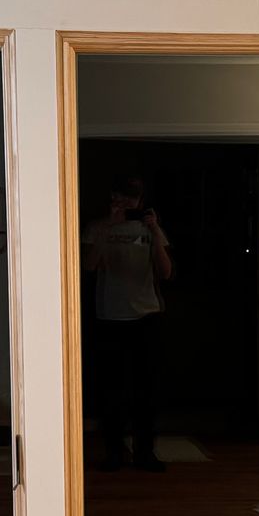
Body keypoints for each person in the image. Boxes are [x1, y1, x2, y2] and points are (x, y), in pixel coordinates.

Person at [82, 175, 173, 471]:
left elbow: (166, 271)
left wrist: (155, 230)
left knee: (147, 390)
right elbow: (88, 265)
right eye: (123, 197)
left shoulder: (149, 228)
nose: (128, 203)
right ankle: (114, 452)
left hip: (146, 316)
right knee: (112, 390)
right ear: (113, 197)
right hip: (110, 316)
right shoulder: (97, 227)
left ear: (140, 200)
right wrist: (109, 226)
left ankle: (145, 452)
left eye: (133, 199)